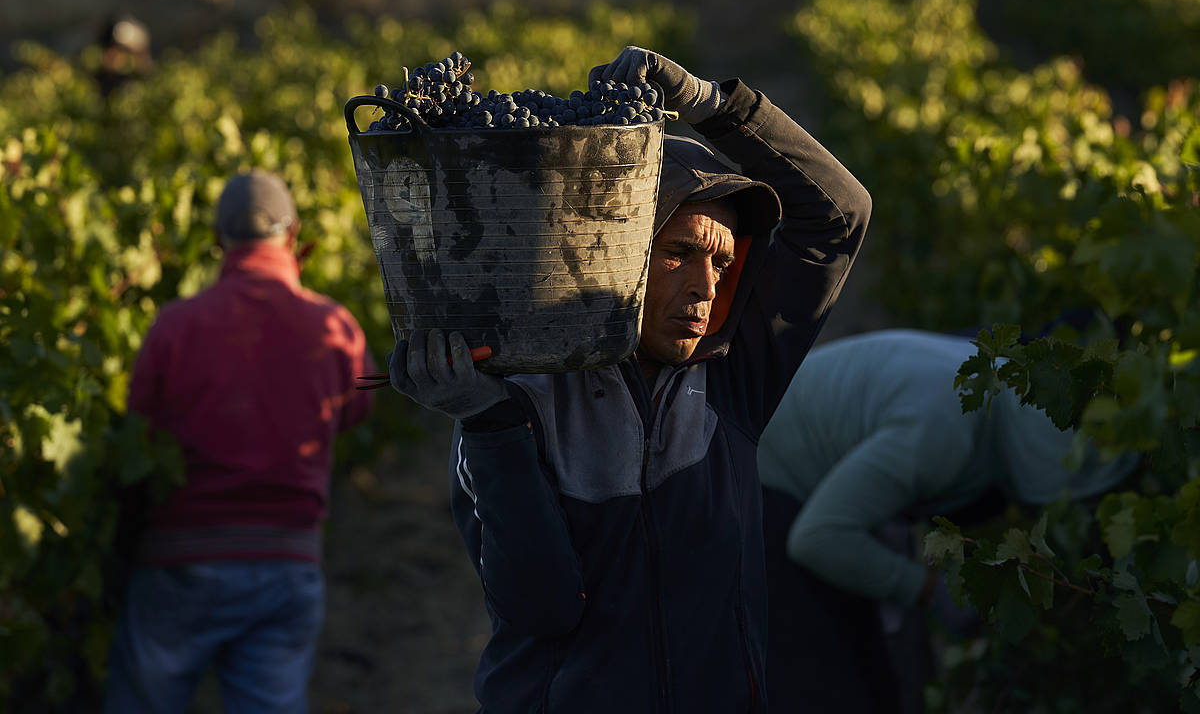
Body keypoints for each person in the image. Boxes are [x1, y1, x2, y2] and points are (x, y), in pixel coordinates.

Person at [388, 46, 872, 712]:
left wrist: (713, 104)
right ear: (617, 256)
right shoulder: (522, 394)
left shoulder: (731, 381)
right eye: (680, 254)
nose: (707, 288)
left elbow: (840, 214)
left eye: (724, 267)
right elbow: (543, 607)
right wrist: (488, 426)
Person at [756, 328, 1140, 713]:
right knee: (831, 688)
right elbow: (817, 539)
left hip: (799, 473)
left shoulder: (993, 381)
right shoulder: (941, 436)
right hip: (764, 492)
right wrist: (929, 590)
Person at [105, 169, 376, 713]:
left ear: (216, 241)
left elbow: (138, 437)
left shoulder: (174, 327)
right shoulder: (337, 327)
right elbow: (356, 410)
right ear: (293, 233)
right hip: (287, 562)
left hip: (180, 561)